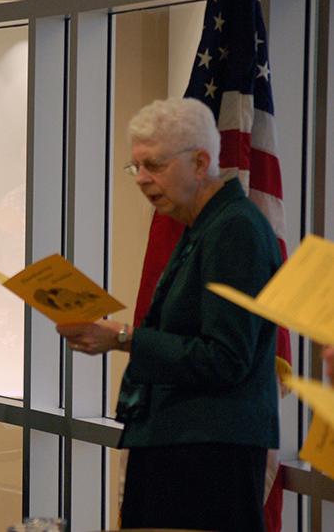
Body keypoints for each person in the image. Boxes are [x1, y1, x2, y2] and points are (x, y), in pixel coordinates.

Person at [58, 98, 280, 531]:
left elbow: (226, 358)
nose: (141, 179)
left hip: (209, 459)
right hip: (181, 447)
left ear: (201, 162)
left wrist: (124, 337)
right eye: (135, 167)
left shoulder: (234, 228)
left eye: (154, 165)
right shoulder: (203, 225)